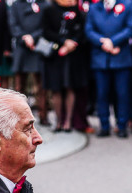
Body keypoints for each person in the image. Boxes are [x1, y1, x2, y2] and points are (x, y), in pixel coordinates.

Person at [87, 0, 132, 139]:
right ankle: (104, 125)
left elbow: (131, 27)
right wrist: (102, 42)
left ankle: (122, 125)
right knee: (102, 94)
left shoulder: (127, 5)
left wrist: (113, 41)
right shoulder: (94, 8)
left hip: (121, 57)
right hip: (100, 58)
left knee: (122, 94)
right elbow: (89, 30)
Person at [41, 0, 87, 132]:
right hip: (55, 55)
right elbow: (46, 32)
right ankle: (58, 121)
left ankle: (68, 121)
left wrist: (71, 44)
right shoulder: (49, 10)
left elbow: (81, 30)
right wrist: (63, 42)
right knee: (56, 88)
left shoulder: (76, 10)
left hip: (72, 55)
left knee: (70, 86)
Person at [9, 0, 48, 125]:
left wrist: (33, 37)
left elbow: (45, 25)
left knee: (41, 86)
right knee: (19, 86)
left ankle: (43, 116)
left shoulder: (44, 4)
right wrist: (24, 37)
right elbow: (12, 24)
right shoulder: (16, 5)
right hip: (21, 47)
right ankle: (19, 117)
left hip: (37, 47)